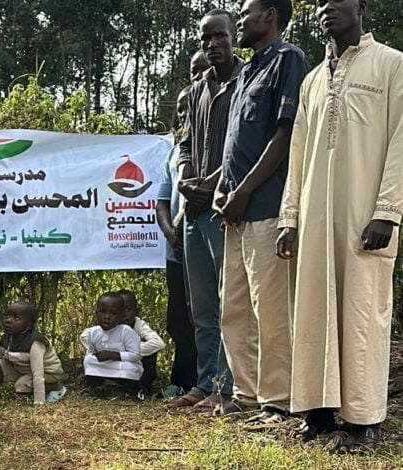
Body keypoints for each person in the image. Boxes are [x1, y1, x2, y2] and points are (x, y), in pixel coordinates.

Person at [277, 0, 402, 452]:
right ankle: (318, 411)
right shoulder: (313, 79)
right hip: (313, 215)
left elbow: (401, 140)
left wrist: (388, 210)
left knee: (363, 311)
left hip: (365, 214)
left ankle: (364, 420)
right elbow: (297, 153)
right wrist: (289, 217)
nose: (327, 6)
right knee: (314, 311)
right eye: (319, 1)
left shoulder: (392, 64)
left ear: (362, 5)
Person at [213, 0, 307, 421]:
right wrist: (223, 189)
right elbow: (235, 144)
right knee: (234, 308)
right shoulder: (246, 71)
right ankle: (246, 393)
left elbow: (285, 136)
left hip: (267, 207)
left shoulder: (288, 59)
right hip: (234, 212)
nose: (241, 20)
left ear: (270, 15)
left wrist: (245, 191)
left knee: (270, 309)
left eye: (246, 13)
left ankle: (278, 399)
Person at [168, 9, 243, 413]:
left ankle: (229, 386)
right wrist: (185, 180)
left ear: (234, 37)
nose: (213, 44)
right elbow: (185, 144)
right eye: (206, 39)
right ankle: (204, 382)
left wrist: (208, 187)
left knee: (230, 301)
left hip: (225, 207)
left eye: (220, 36)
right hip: (194, 210)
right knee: (201, 307)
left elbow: (243, 147)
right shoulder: (197, 89)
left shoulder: (247, 81)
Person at [156, 86, 198, 399]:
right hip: (176, 250)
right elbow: (161, 201)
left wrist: (183, 226)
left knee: (203, 315)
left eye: (189, 106)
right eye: (180, 108)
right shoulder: (174, 152)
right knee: (178, 319)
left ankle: (206, 380)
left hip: (202, 245)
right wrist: (171, 233)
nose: (184, 113)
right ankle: (181, 379)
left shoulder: (211, 144)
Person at [0, 301, 66, 409]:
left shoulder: (35, 343)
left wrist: (39, 403)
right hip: (23, 370)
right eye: (7, 316)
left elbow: (38, 375)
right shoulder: (6, 340)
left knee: (21, 386)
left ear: (28, 325)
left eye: (16, 318)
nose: (8, 320)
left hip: (48, 373)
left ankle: (56, 387)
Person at [80, 293, 144, 398]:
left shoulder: (126, 331)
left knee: (130, 368)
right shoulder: (93, 332)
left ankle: (123, 389)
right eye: (103, 312)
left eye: (113, 313)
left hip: (122, 367)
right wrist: (84, 371)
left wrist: (113, 355)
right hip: (103, 366)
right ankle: (100, 387)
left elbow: (136, 355)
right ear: (96, 313)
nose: (107, 317)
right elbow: (91, 352)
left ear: (121, 315)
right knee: (89, 360)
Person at [117, 290, 166, 396]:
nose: (123, 314)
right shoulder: (110, 324)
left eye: (128, 310)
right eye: (119, 310)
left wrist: (129, 350)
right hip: (116, 369)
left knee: (150, 349)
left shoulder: (138, 325)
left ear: (137, 311)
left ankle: (143, 387)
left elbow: (158, 343)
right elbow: (85, 337)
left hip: (137, 371)